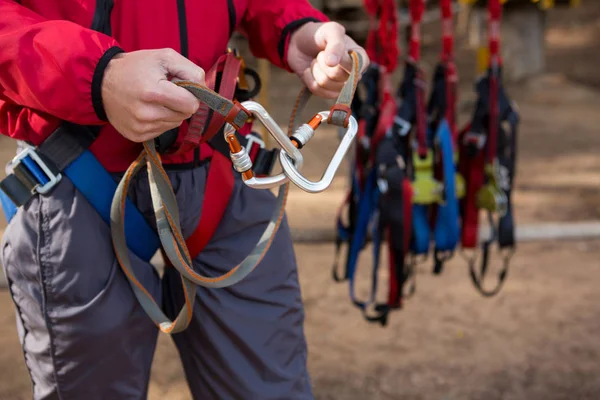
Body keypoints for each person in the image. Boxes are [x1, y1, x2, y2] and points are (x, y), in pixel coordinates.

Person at [0, 0, 369, 399]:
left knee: (271, 387)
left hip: (222, 175)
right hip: (79, 178)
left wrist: (295, 27)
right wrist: (98, 75)